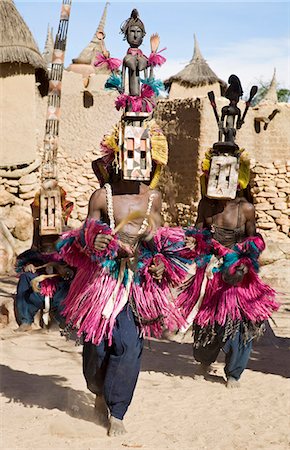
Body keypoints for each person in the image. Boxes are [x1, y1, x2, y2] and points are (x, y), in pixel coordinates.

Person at [57, 10, 186, 436]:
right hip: (101, 283)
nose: (136, 158)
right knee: (97, 349)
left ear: (149, 156)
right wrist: (101, 243)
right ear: (118, 154)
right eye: (129, 150)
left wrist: (158, 260)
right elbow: (85, 233)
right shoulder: (102, 196)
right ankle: (97, 388)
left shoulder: (154, 199)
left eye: (142, 152)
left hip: (134, 286)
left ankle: (117, 412)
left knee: (129, 346)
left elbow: (163, 237)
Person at [177, 152, 279, 388]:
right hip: (212, 274)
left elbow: (254, 241)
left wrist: (242, 260)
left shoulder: (246, 209)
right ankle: (205, 358)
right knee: (208, 322)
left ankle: (234, 372)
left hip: (239, 274)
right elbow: (198, 233)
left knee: (240, 323)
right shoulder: (206, 205)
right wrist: (199, 245)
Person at [15, 235, 74, 331]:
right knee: (25, 277)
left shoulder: (67, 253)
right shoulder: (33, 255)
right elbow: (19, 267)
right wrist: (28, 267)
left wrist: (65, 270)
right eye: (45, 240)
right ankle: (26, 321)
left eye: (52, 240)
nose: (48, 243)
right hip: (39, 291)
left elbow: (76, 270)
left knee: (70, 284)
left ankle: (60, 320)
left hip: (59, 291)